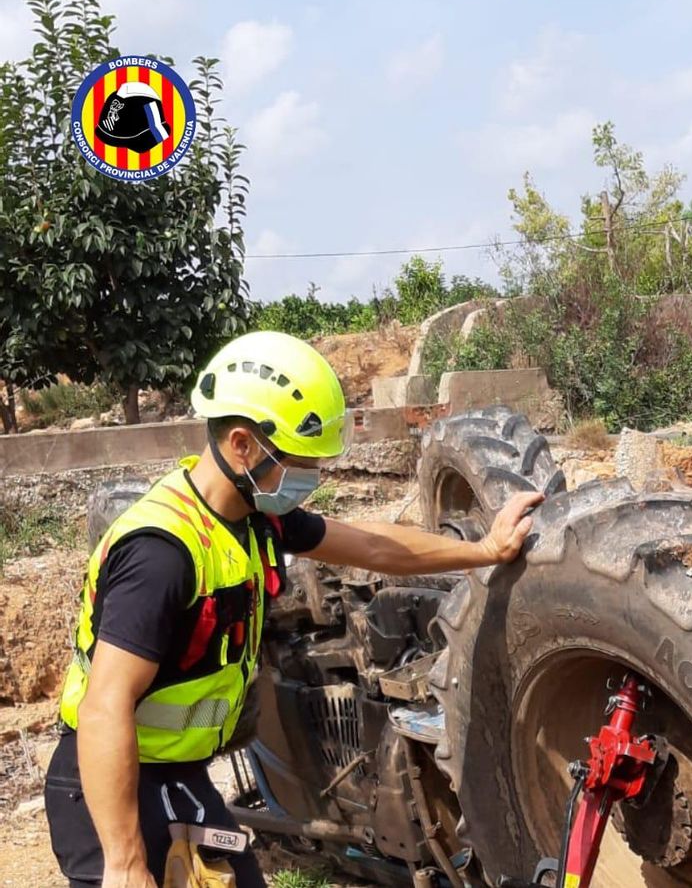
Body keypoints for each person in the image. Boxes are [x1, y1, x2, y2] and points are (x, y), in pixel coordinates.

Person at [45, 331, 544, 888]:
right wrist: (125, 862)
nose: (312, 478)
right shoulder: (162, 554)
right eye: (300, 462)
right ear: (242, 444)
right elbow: (104, 705)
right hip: (110, 787)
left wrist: (484, 551)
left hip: (177, 774)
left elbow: (375, 547)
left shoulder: (250, 516)